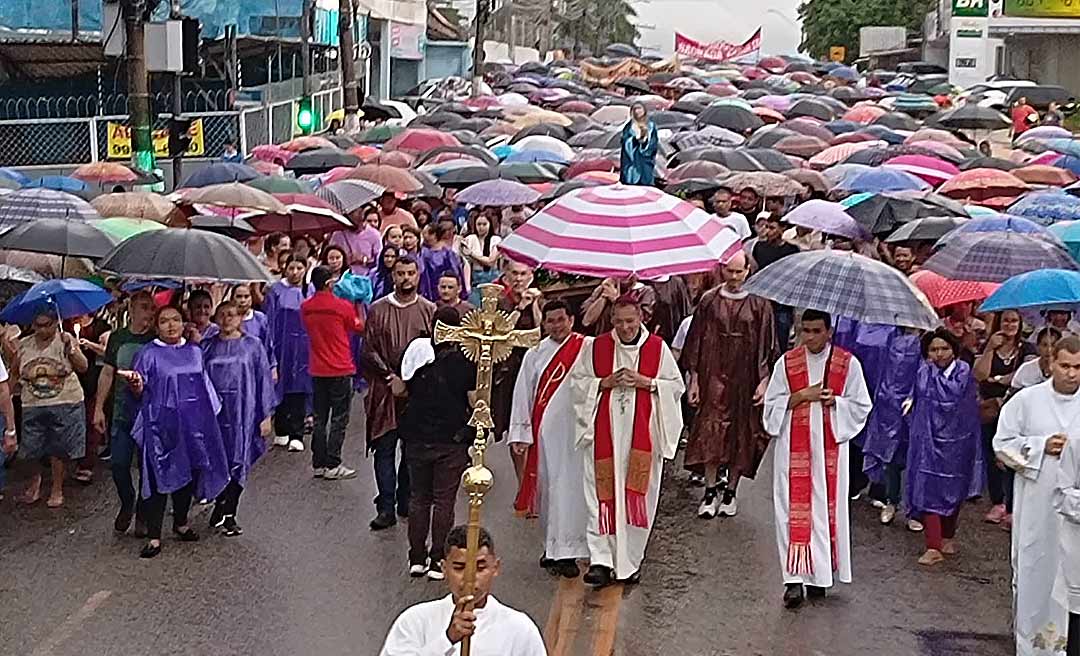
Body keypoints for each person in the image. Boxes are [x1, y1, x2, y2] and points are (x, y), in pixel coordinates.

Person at [569, 296, 685, 587]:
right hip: (603, 436)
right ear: (611, 321)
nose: (625, 327)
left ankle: (630, 561)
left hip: (641, 437)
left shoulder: (657, 349)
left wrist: (647, 382)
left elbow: (675, 386)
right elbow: (577, 384)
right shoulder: (596, 347)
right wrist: (603, 383)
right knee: (599, 497)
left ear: (641, 319)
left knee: (638, 499)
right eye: (619, 321)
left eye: (630, 321)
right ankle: (601, 560)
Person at [762, 309, 873, 609]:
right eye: (805, 330)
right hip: (792, 448)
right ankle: (793, 579)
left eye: (816, 331)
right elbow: (770, 407)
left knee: (823, 512)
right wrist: (801, 396)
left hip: (829, 451)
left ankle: (819, 576)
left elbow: (862, 404)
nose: (809, 337)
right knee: (790, 511)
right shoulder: (787, 363)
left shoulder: (847, 364)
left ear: (829, 332)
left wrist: (835, 401)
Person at [996, 336, 1080, 656]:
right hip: (1038, 506)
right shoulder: (1027, 401)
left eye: (1078, 367)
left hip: (1075, 512)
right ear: (1050, 362)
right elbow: (1003, 443)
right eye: (1065, 366)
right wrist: (1041, 446)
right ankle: (1035, 650)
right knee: (1038, 578)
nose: (1072, 374)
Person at [127, 306, 230, 558]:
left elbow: (205, 387)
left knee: (189, 473)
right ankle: (154, 536)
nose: (171, 325)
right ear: (156, 325)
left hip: (193, 425)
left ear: (184, 323)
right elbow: (138, 390)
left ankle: (181, 523)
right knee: (158, 477)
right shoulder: (148, 354)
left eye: (175, 319)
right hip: (160, 427)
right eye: (164, 321)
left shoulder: (194, 351)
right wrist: (137, 386)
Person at [683, 251, 777, 518]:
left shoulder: (760, 304)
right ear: (721, 270)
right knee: (711, 431)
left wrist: (764, 381)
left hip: (745, 378)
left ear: (748, 270)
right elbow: (696, 343)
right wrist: (695, 380)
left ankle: (731, 492)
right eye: (730, 271)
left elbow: (768, 346)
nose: (734, 277)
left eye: (739, 271)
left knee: (740, 433)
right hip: (713, 375)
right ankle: (710, 490)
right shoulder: (708, 301)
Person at [509, 300, 590, 578]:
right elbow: (523, 394)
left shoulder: (587, 348)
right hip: (547, 433)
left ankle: (573, 549)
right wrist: (520, 433)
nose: (556, 326)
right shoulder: (535, 354)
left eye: (561, 319)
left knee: (575, 490)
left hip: (579, 433)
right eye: (550, 321)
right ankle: (552, 548)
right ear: (543, 324)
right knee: (549, 490)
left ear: (571, 320)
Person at [378, 526, 546, 656]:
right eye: (459, 568)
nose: (469, 578)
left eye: (480, 568)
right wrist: (447, 640)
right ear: (444, 568)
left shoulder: (520, 629)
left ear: (495, 567)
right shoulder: (414, 621)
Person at [398, 307, 477, 580]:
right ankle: (437, 560)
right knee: (444, 501)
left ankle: (416, 558)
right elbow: (474, 400)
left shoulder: (418, 355)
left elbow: (400, 388)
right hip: (450, 440)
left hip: (417, 437)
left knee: (419, 498)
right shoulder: (465, 361)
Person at [362, 256, 436, 530]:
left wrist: (413, 382)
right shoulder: (378, 309)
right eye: (400, 273)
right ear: (393, 276)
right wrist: (389, 376)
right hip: (385, 388)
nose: (405, 278)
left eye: (410, 273)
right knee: (384, 448)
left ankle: (406, 499)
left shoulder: (429, 309)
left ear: (418, 276)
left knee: (412, 450)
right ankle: (385, 506)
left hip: (417, 392)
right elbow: (368, 349)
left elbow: (433, 350)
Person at [906, 328, 982, 566]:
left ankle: (948, 537)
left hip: (957, 440)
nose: (939, 354)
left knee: (955, 487)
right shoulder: (923, 371)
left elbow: (954, 397)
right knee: (929, 489)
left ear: (953, 349)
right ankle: (933, 545)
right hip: (927, 440)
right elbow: (917, 397)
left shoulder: (963, 372)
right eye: (933, 349)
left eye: (944, 348)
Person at [202, 301, 276, 536]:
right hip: (215, 416)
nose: (227, 319)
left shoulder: (253, 346)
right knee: (217, 459)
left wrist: (266, 415)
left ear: (240, 317)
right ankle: (220, 500)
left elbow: (264, 379)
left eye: (231, 315)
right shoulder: (207, 347)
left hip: (244, 413)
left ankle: (230, 513)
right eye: (222, 315)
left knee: (239, 460)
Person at [4, 310, 88, 508]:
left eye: (47, 325)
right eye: (38, 325)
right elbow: (15, 372)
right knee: (31, 448)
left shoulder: (65, 340)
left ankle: (57, 489)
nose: (43, 330)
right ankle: (35, 484)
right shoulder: (24, 344)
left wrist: (72, 350)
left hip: (64, 399)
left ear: (55, 323)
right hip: (32, 402)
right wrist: (6, 396)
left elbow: (83, 367)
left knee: (58, 448)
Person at [93, 291, 156, 532]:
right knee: (119, 464)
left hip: (148, 414)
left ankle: (143, 510)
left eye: (151, 307)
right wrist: (99, 408)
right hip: (121, 412)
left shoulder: (155, 339)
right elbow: (107, 372)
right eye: (143, 307)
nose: (149, 312)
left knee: (147, 467)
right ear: (131, 309)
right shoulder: (118, 338)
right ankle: (127, 502)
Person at [301, 265, 364, 480]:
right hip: (340, 365)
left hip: (317, 367)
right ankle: (333, 462)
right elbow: (358, 327)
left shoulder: (307, 306)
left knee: (320, 417)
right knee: (339, 417)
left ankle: (318, 462)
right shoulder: (342, 306)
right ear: (329, 283)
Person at [975, 309, 1037, 527]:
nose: (1010, 325)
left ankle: (1012, 504)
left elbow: (1020, 376)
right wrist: (990, 348)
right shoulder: (989, 345)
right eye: (1006, 321)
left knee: (1011, 456)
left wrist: (998, 378)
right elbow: (980, 375)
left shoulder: (1027, 348)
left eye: (1014, 321)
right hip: (990, 408)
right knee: (992, 453)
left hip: (1015, 408)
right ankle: (997, 501)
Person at [861, 328, 922, 528]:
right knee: (891, 458)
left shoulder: (929, 341)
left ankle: (914, 510)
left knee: (916, 460)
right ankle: (892, 501)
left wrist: (914, 396)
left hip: (919, 407)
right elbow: (882, 371)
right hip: (889, 405)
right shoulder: (890, 339)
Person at [493, 261, 544, 479]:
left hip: (536, 368)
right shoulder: (499, 302)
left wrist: (533, 306)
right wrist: (520, 307)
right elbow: (502, 334)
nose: (519, 279)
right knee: (516, 429)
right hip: (510, 371)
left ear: (531, 276)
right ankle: (522, 483)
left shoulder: (540, 299)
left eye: (523, 274)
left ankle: (535, 483)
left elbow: (543, 332)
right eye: (514, 273)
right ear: (506, 276)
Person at [264, 254, 313, 453]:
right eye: (291, 268)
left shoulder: (310, 290)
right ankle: (281, 428)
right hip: (281, 345)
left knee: (299, 388)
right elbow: (269, 319)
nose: (295, 273)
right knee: (280, 386)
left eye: (299, 268)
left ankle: (297, 432)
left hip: (303, 347)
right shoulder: (275, 290)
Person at [752, 214, 800, 351]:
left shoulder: (791, 250)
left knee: (781, 339)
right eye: (766, 227)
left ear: (783, 228)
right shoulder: (759, 247)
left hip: (782, 302)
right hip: (762, 299)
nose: (768, 231)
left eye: (772, 228)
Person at [419, 220, 466, 303]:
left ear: (434, 235)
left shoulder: (447, 252)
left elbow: (456, 271)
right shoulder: (423, 251)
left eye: (426, 233)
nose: (423, 235)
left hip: (445, 285)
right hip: (429, 287)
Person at [461, 212, 502, 305]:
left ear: (490, 225)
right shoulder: (470, 239)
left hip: (492, 278)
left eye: (484, 224)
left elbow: (490, 261)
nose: (481, 227)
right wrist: (467, 286)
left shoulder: (496, 239)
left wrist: (472, 254)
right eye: (479, 224)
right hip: (476, 279)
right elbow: (466, 263)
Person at [620, 102, 659, 186]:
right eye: (635, 109)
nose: (637, 111)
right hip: (632, 162)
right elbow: (625, 142)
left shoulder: (651, 126)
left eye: (639, 108)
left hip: (644, 163)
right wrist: (634, 140)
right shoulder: (629, 127)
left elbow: (653, 143)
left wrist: (645, 142)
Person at [1015, 326, 1063, 391]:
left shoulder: (1066, 370)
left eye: (1053, 345)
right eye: (1044, 345)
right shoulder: (1026, 368)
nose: (1049, 350)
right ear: (1038, 346)